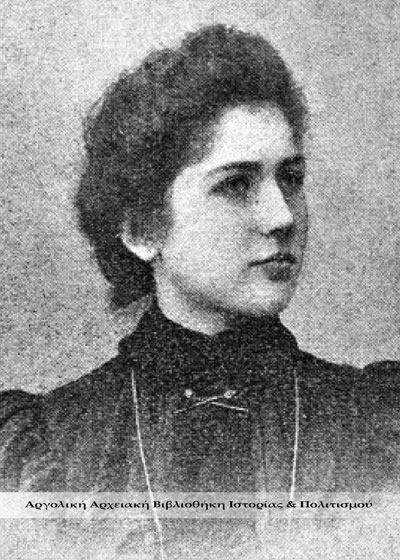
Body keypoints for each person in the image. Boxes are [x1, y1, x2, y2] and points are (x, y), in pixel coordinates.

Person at [0, 23, 399, 560]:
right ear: (142, 229)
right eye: (236, 184)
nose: (282, 216)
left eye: (291, 178)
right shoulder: (43, 452)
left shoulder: (377, 425)